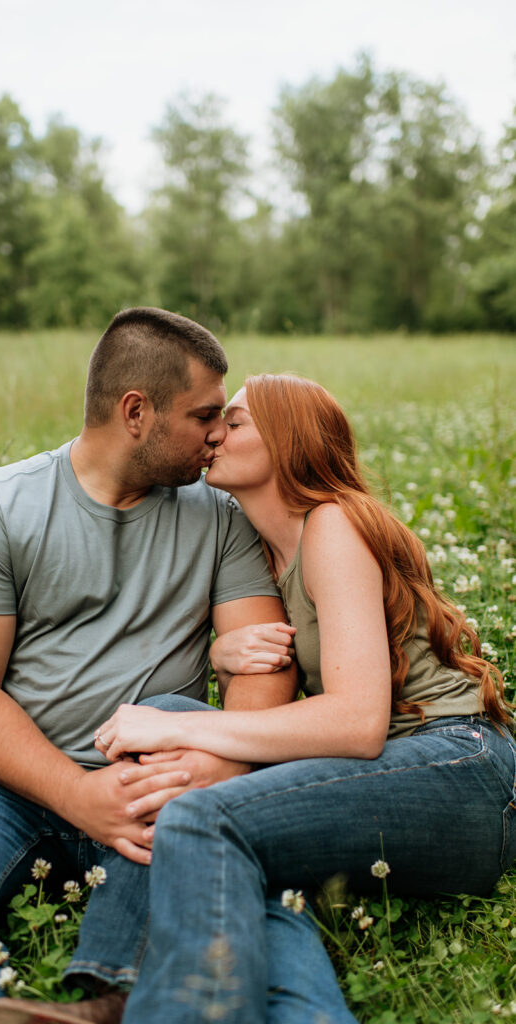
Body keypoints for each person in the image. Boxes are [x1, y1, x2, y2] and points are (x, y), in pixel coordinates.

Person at [0, 312, 298, 1024]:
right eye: (203, 416)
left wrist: (221, 770)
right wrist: (72, 790)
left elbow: (262, 659)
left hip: (161, 772)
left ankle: (121, 1004)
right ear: (136, 412)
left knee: (258, 905)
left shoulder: (220, 513)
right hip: (2, 779)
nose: (218, 434)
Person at [86, 372, 516, 1024]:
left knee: (203, 813)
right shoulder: (268, 551)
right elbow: (282, 706)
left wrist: (189, 738)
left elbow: (358, 721)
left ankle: (158, 1006)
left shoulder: (333, 527)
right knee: (226, 831)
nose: (213, 433)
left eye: (234, 422)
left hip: (461, 770)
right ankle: (125, 993)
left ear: (288, 442)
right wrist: (220, 656)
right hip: (385, 777)